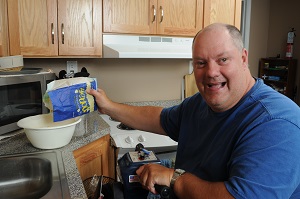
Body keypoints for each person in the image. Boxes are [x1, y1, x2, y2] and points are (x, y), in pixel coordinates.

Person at [87, 23, 300, 198]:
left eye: (223, 60)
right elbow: (159, 119)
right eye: (201, 63)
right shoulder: (199, 104)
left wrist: (173, 177)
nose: (211, 72)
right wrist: (109, 106)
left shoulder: (276, 122)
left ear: (244, 58)